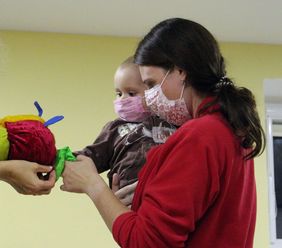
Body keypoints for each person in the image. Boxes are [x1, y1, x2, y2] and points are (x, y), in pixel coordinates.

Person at [60, 18, 265, 247]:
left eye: (150, 84)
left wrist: (93, 186)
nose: (148, 96)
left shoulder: (201, 135)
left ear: (180, 70)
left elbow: (146, 242)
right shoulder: (230, 130)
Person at [73, 56, 176, 193]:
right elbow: (92, 155)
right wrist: (65, 159)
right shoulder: (115, 129)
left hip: (164, 196)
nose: (122, 99)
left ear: (153, 91)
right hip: (125, 199)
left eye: (131, 93)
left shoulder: (172, 124)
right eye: (118, 93)